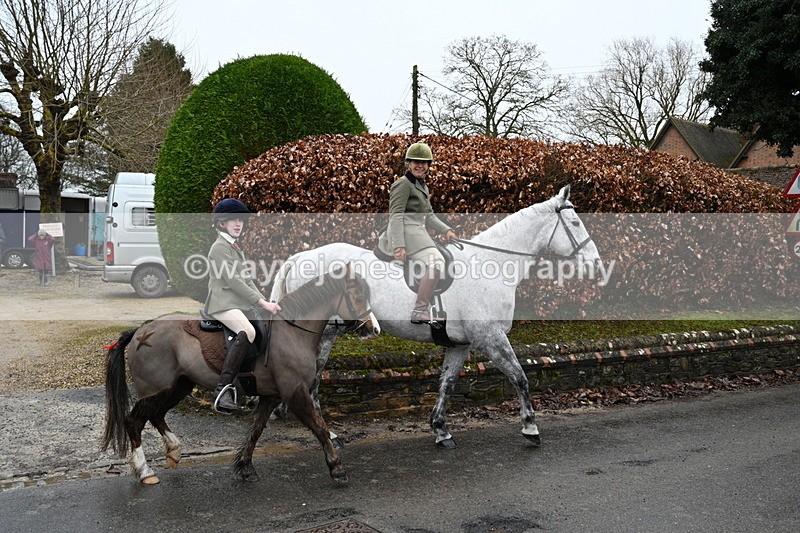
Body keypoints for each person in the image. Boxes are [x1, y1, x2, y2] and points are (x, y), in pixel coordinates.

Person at [204, 198, 281, 413]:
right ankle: (222, 390)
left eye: (240, 220)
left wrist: (265, 301)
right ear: (222, 223)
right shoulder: (219, 248)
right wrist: (260, 302)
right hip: (222, 303)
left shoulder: (235, 248)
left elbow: (246, 279)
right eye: (232, 220)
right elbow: (233, 281)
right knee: (246, 331)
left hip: (237, 303)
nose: (238, 224)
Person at [378, 142, 457, 323]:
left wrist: (447, 231)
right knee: (437, 261)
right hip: (405, 232)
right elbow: (396, 215)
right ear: (409, 163)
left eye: (423, 162)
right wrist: (399, 246)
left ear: (428, 165)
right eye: (415, 162)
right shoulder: (403, 184)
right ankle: (420, 310)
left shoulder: (422, 186)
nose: (419, 166)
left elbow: (428, 216)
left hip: (418, 233)